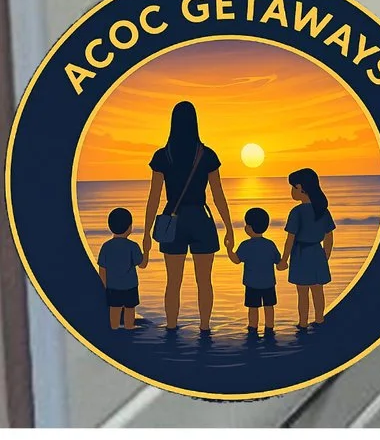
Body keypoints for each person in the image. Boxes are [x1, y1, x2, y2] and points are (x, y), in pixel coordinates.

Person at [138, 101, 232, 332]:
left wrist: (147, 232)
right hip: (201, 218)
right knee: (204, 282)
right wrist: (229, 227)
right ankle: (205, 328)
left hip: (173, 219)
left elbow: (154, 197)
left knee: (173, 282)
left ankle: (171, 327)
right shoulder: (207, 154)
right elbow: (218, 194)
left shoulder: (163, 156)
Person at [284, 169, 334, 327]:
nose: (292, 191)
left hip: (301, 254)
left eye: (293, 187)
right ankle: (320, 319)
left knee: (303, 293)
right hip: (317, 253)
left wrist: (284, 259)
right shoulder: (322, 211)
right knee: (318, 291)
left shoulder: (297, 212)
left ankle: (303, 322)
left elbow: (290, 239)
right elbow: (329, 236)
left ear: (300, 188)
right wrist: (325, 255)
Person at [229, 208, 282, 336]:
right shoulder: (270, 244)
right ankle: (269, 327)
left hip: (252, 284)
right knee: (269, 306)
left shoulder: (245, 245)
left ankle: (253, 327)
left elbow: (236, 260)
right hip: (269, 283)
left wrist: (229, 249)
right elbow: (278, 261)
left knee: (253, 308)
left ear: (249, 227)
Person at [96, 208, 142, 330]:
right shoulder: (133, 246)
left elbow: (102, 268)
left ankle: (114, 327)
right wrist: (146, 253)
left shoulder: (106, 246)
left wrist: (104, 286)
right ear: (129, 227)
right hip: (130, 285)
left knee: (114, 308)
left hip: (112, 286)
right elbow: (141, 264)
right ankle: (129, 326)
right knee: (130, 309)